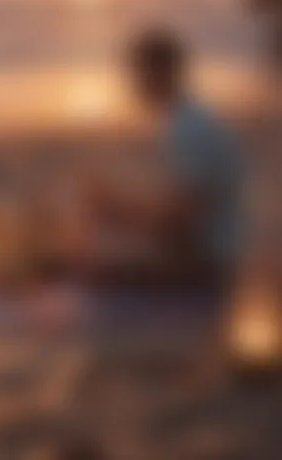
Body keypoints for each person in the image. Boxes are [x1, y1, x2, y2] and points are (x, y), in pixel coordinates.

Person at [89, 28, 245, 289]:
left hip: (209, 265)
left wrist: (117, 211)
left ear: (158, 73)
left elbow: (181, 220)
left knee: (89, 265)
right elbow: (180, 206)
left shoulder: (189, 127)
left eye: (138, 73)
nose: (134, 84)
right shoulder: (192, 118)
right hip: (209, 254)